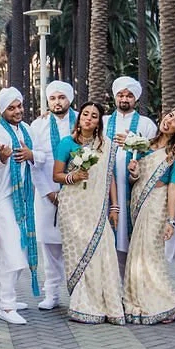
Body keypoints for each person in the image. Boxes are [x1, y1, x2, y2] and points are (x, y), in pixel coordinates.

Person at [52, 102, 124, 324]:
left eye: (94, 116)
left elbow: (109, 176)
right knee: (78, 254)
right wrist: (73, 177)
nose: (89, 118)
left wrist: (114, 206)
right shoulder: (66, 143)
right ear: (79, 117)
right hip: (72, 206)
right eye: (85, 114)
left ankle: (108, 303)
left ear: (98, 122)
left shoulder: (106, 145)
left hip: (97, 207)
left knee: (104, 251)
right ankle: (84, 303)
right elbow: (57, 175)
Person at [123, 107, 175, 325]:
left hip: (157, 205)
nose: (169, 121)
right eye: (170, 116)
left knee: (150, 253)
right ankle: (137, 299)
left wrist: (171, 220)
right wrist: (134, 172)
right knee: (137, 254)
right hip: (138, 202)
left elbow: (174, 187)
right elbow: (135, 180)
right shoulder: (144, 146)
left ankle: (163, 302)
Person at [0, 87, 40, 325]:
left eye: (19, 106)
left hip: (23, 199)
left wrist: (32, 154)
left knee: (21, 249)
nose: (17, 111)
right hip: (0, 200)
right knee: (11, 252)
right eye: (12, 108)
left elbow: (42, 157)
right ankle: (7, 306)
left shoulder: (27, 129)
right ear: (2, 111)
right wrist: (4, 156)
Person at [30, 80, 77, 310]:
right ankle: (52, 293)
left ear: (70, 99)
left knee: (77, 244)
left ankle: (79, 293)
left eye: (61, 97)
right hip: (47, 193)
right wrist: (48, 192)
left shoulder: (83, 122)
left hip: (78, 195)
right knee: (49, 246)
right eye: (53, 98)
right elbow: (34, 163)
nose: (57, 102)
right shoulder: (38, 126)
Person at [106, 76, 158, 281]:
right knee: (112, 238)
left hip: (134, 185)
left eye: (129, 95)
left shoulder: (146, 124)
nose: (124, 99)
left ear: (135, 99)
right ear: (115, 97)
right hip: (108, 189)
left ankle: (133, 284)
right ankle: (114, 285)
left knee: (131, 237)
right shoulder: (104, 121)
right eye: (120, 95)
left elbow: (153, 153)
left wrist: (134, 143)